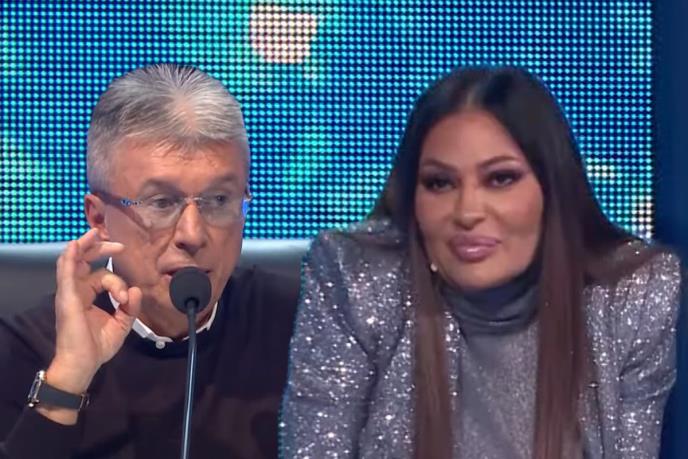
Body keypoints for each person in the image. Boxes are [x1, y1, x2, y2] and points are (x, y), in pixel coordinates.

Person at [280, 66, 682, 458]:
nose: (467, 211)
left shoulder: (631, 297)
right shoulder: (356, 280)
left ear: (553, 189)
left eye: (500, 179)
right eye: (440, 183)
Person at [0, 64, 299, 458]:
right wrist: (68, 378)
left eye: (218, 200)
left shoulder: (300, 325)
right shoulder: (24, 349)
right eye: (161, 203)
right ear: (99, 218)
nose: (192, 234)